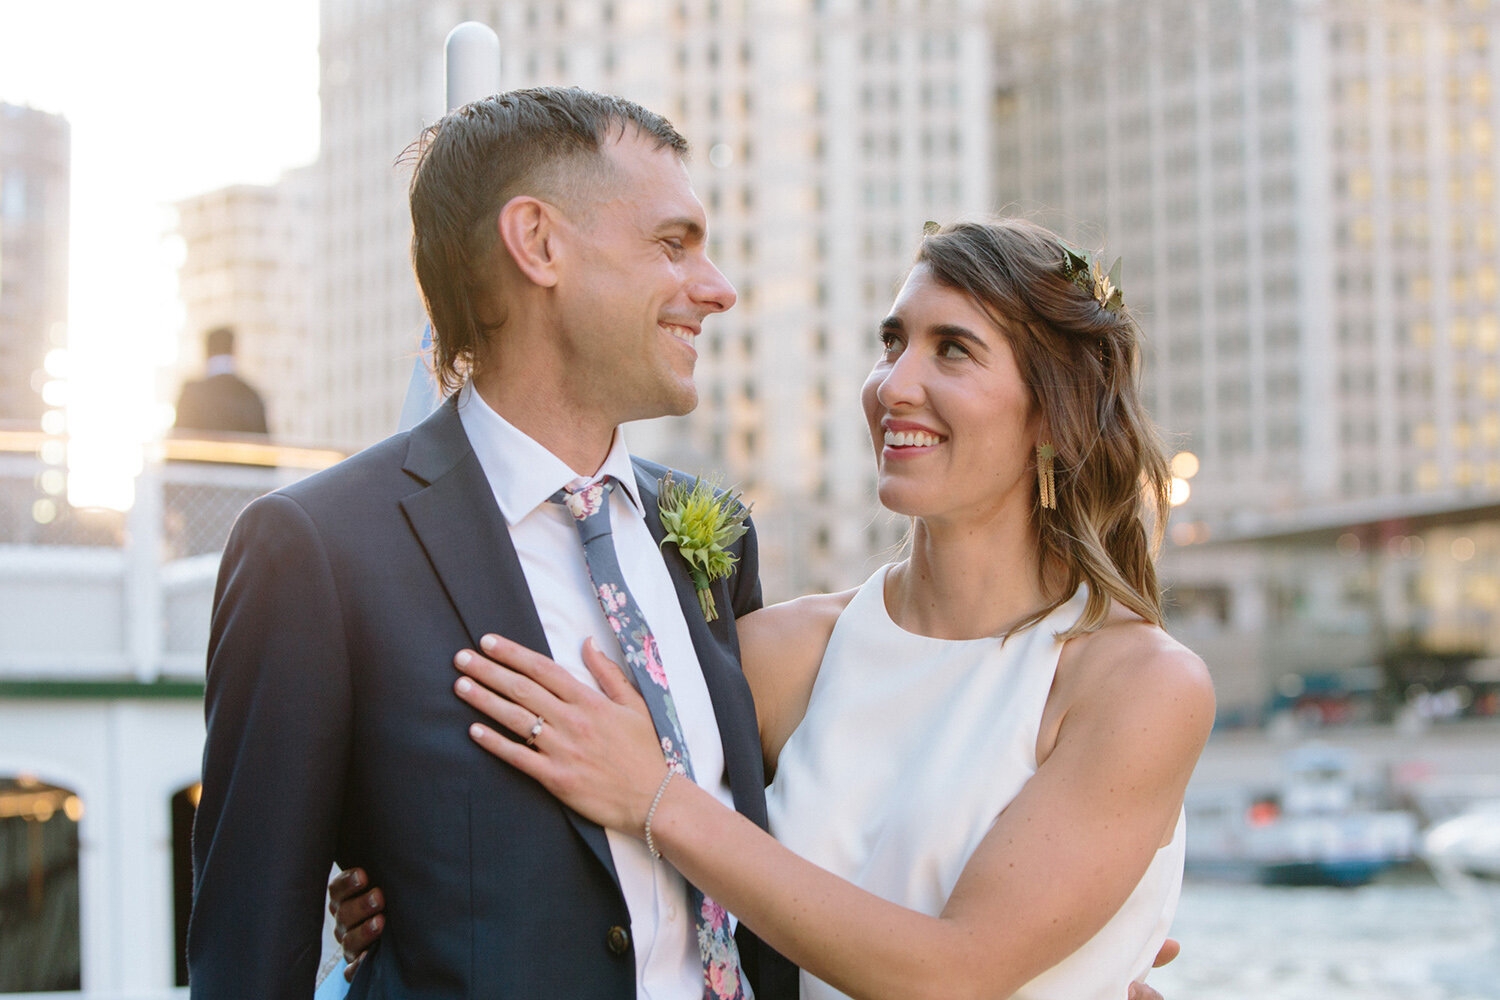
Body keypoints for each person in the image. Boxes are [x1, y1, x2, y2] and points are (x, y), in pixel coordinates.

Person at [332, 219, 1213, 999]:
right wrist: (402, 890)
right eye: (892, 341)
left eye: (953, 349)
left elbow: (955, 974)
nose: (894, 384)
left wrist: (660, 799)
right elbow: (566, 807)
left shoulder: (1139, 685)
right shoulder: (786, 652)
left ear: (1055, 416)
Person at [188, 87, 797, 999]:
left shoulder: (715, 536)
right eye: (673, 244)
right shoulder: (318, 553)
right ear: (539, 243)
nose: (716, 289)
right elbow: (249, 962)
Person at [172, 325, 270, 435]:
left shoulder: (191, 393)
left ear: (206, 351)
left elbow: (179, 440)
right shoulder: (250, 395)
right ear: (234, 350)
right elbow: (263, 442)